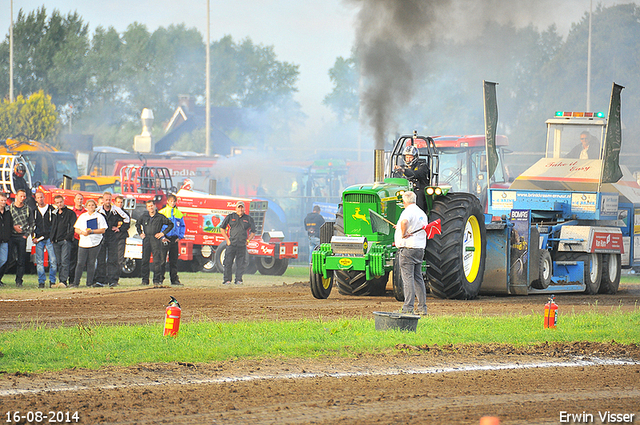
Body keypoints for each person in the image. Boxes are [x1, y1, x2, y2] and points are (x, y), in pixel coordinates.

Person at [394, 191, 428, 315]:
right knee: (418, 278)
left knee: (407, 278)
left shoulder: (408, 211)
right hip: (419, 248)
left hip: (408, 248)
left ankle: (408, 307)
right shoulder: (421, 213)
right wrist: (399, 228)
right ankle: (422, 307)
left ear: (404, 201)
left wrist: (402, 234)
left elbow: (404, 222)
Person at [0, 189, 34, 287]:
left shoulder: (28, 209)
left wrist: (26, 235)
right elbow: (7, 223)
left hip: (21, 237)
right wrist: (13, 228)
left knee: (21, 260)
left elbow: (32, 224)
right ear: (16, 196)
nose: (22, 198)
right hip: (10, 236)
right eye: (21, 196)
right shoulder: (9, 208)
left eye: (24, 196)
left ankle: (19, 281)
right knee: (7, 259)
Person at [136, 200, 173, 287]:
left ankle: (157, 280)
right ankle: (145, 280)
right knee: (145, 260)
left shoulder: (160, 217)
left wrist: (162, 233)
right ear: (147, 207)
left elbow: (170, 224)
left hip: (156, 239)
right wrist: (140, 233)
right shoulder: (144, 216)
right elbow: (137, 224)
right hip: (146, 239)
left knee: (157, 261)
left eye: (152, 206)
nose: (151, 208)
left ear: (155, 206)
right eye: (149, 206)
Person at [72, 199, 107, 288]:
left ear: (95, 206)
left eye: (92, 205)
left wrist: (92, 231)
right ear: (86, 207)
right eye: (89, 205)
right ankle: (76, 283)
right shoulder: (83, 216)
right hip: (83, 242)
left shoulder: (100, 216)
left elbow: (103, 229)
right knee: (80, 263)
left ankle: (89, 283)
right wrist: (82, 232)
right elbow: (76, 228)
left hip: (95, 242)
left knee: (91, 263)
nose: (91, 207)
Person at [219, 201, 255, 285]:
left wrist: (248, 240)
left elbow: (253, 231)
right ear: (236, 208)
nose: (240, 209)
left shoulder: (248, 218)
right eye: (239, 207)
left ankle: (238, 280)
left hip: (242, 245)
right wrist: (227, 240)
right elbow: (222, 228)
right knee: (228, 262)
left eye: (242, 207)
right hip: (232, 244)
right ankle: (227, 280)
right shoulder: (231, 217)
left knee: (241, 263)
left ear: (244, 208)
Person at [50, 194, 77, 287]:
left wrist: (67, 238)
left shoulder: (70, 213)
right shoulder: (54, 214)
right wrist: (52, 238)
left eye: (61, 202)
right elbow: (52, 226)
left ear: (63, 201)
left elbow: (73, 226)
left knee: (65, 261)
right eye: (57, 203)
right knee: (59, 262)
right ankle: (61, 280)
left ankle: (64, 281)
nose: (59, 204)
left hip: (66, 241)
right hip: (56, 241)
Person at [393, 145, 430, 211]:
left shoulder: (422, 166)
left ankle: (419, 215)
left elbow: (415, 174)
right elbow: (395, 180)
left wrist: (404, 171)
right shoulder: (401, 167)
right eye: (407, 157)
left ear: (415, 157)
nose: (408, 159)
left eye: (410, 157)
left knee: (417, 195)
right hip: (404, 189)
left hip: (419, 189)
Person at [159, 194, 185, 286]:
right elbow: (159, 226)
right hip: (165, 238)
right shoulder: (162, 212)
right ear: (167, 202)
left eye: (174, 201)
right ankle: (160, 279)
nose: (173, 203)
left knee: (173, 261)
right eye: (171, 201)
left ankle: (174, 280)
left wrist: (180, 236)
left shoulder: (178, 213)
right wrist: (162, 237)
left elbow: (182, 226)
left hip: (174, 239)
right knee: (162, 260)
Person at [33, 191, 57, 288]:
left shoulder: (51, 209)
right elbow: (32, 225)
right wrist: (34, 237)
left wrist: (53, 236)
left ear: (44, 198)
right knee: (39, 262)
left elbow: (55, 224)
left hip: (50, 239)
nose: (40, 199)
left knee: (53, 261)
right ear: (36, 199)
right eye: (38, 198)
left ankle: (52, 281)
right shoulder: (34, 211)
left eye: (41, 197)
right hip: (39, 239)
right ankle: (41, 282)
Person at [110, 195, 130, 287]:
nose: (120, 204)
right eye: (118, 202)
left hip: (121, 238)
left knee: (119, 259)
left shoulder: (125, 214)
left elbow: (127, 225)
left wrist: (120, 229)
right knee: (110, 259)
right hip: (111, 238)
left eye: (121, 202)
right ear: (114, 202)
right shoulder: (111, 213)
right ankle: (107, 278)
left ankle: (115, 279)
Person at [68, 193, 86, 285]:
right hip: (73, 239)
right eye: (78, 199)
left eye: (81, 199)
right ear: (74, 200)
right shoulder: (71, 212)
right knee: (72, 260)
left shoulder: (86, 213)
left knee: (81, 261)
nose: (79, 201)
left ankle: (77, 280)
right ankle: (71, 280)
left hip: (84, 239)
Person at [0, 193, 12, 286]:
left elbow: (10, 224)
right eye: (1, 200)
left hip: (5, 240)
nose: (3, 202)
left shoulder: (8, 211)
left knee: (3, 260)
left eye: (4, 200)